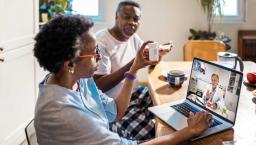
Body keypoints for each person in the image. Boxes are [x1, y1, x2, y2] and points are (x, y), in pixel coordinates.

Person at [34, 15, 212, 145]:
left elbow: (115, 111)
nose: (100, 56)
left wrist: (134, 68)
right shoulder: (63, 112)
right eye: (95, 53)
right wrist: (189, 131)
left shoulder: (79, 80)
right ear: (70, 64)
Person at [94, 1, 171, 140]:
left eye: (136, 19)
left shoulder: (133, 38)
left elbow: (143, 59)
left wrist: (158, 55)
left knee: (168, 108)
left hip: (135, 94)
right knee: (152, 132)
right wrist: (133, 64)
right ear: (116, 16)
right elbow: (98, 85)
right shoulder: (101, 42)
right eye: (126, 17)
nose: (132, 22)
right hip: (114, 105)